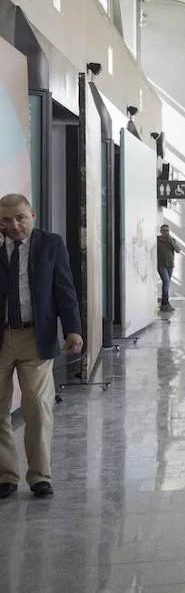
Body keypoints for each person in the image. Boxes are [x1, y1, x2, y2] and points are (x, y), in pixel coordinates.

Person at [0, 193, 83, 499]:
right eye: (6, 220)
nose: (15, 225)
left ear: (32, 215)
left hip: (36, 336)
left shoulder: (51, 244)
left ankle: (39, 476)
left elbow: (65, 288)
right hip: (2, 339)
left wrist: (73, 329)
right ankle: (6, 475)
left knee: (36, 405)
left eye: (20, 217)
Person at [156, 224, 180, 312]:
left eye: (167, 230)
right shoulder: (157, 240)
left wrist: (171, 240)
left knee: (167, 284)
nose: (165, 232)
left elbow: (178, 250)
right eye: (164, 230)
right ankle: (166, 303)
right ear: (160, 231)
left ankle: (164, 304)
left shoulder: (171, 240)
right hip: (161, 266)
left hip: (170, 265)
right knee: (166, 282)